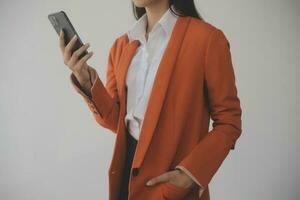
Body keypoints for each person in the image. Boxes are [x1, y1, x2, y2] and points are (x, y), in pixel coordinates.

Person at [58, 0, 242, 199]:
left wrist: (190, 173)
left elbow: (229, 121)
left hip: (170, 176)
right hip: (125, 175)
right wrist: (86, 79)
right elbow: (115, 122)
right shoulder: (122, 45)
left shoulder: (207, 39)